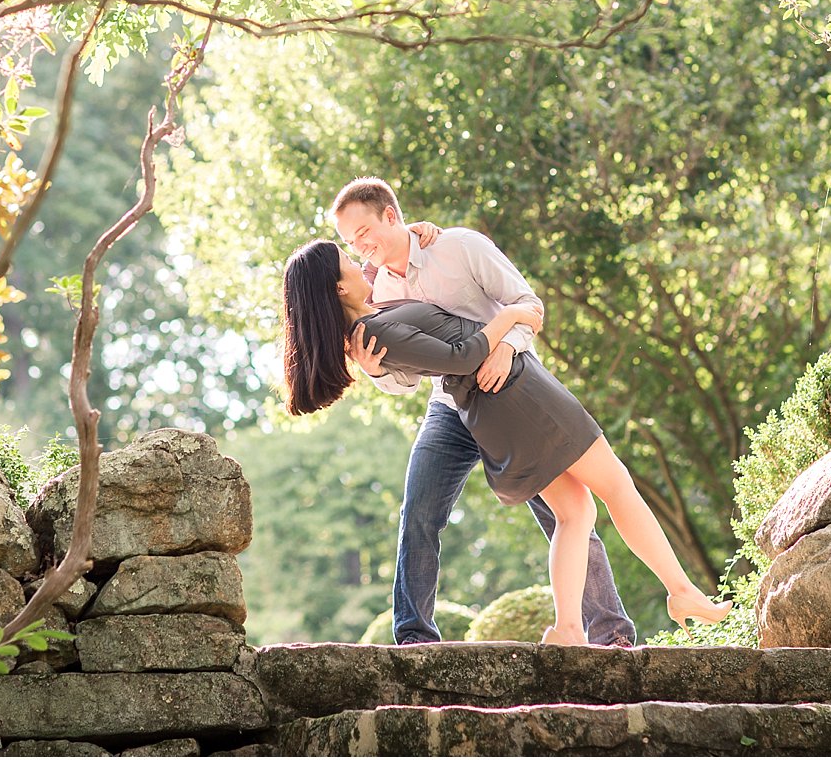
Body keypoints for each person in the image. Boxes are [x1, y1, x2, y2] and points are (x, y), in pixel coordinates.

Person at [281, 238, 731, 644]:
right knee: (615, 486)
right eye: (349, 262)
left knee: (575, 513)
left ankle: (570, 629)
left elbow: (385, 267)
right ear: (339, 289)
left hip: (505, 398)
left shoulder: (373, 315)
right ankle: (680, 592)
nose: (361, 263)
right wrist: (511, 316)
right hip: (517, 393)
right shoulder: (372, 335)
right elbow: (463, 357)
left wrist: (411, 233)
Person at [329, 179, 635, 647]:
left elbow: (527, 304)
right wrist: (375, 373)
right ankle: (414, 637)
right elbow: (407, 374)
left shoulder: (456, 246)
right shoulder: (378, 291)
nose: (360, 246)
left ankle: (610, 632)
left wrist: (506, 349)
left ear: (391, 216)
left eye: (364, 231)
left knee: (566, 513)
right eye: (351, 241)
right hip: (450, 407)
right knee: (419, 511)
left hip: (508, 398)